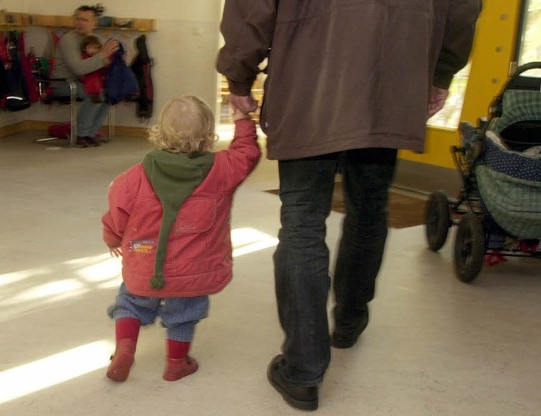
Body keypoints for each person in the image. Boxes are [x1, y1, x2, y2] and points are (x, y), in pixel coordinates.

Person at [217, 0, 482, 411]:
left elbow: (253, 8)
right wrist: (441, 70)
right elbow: (463, 8)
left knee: (303, 221)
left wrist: (239, 75)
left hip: (310, 81)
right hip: (392, 80)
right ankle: (350, 322)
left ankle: (303, 372)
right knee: (370, 208)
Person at [101, 95, 261, 382]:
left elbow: (117, 213)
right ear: (209, 137)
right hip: (193, 274)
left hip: (145, 267)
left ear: (159, 133)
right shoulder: (222, 170)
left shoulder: (132, 178)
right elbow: (246, 153)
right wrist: (242, 121)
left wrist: (112, 236)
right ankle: (176, 363)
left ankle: (125, 348)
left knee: (131, 302)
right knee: (184, 312)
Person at [51, 5, 119, 147]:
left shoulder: (93, 39)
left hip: (83, 81)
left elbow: (99, 64)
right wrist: (103, 55)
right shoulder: (68, 39)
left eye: (85, 20)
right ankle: (81, 134)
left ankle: (91, 133)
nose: (80, 23)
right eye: (78, 19)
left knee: (108, 94)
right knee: (94, 93)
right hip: (63, 83)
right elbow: (78, 69)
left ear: (94, 23)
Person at [80, 35, 105, 103]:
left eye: (95, 48)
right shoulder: (84, 57)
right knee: (94, 79)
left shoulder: (99, 57)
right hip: (88, 76)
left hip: (98, 76)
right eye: (90, 48)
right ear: (85, 49)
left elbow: (101, 70)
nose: (93, 50)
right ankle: (95, 94)